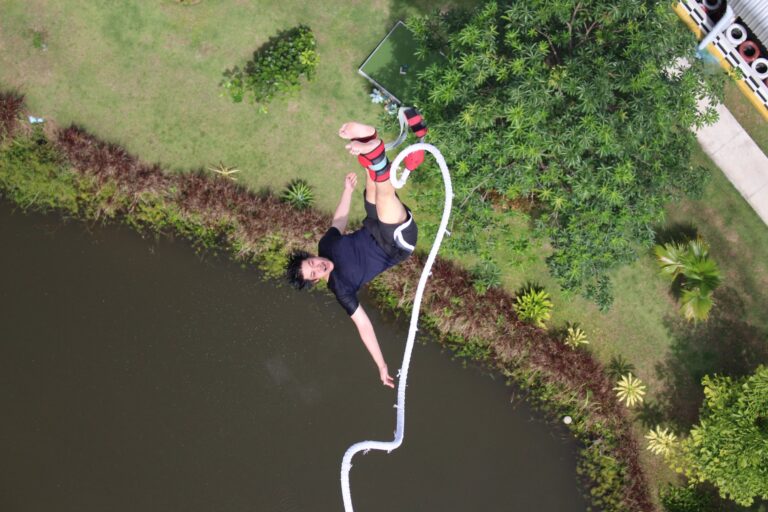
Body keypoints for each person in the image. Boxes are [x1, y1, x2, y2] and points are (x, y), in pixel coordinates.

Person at [286, 120, 424, 388]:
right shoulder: (341, 290)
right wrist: (381, 365)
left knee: (371, 186)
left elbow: (338, 221)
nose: (319, 266)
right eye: (314, 273)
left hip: (374, 224)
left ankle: (368, 139)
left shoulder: (326, 246)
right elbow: (364, 326)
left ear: (312, 255)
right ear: (315, 280)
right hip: (395, 243)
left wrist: (347, 191)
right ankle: (375, 150)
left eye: (312, 262)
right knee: (383, 198)